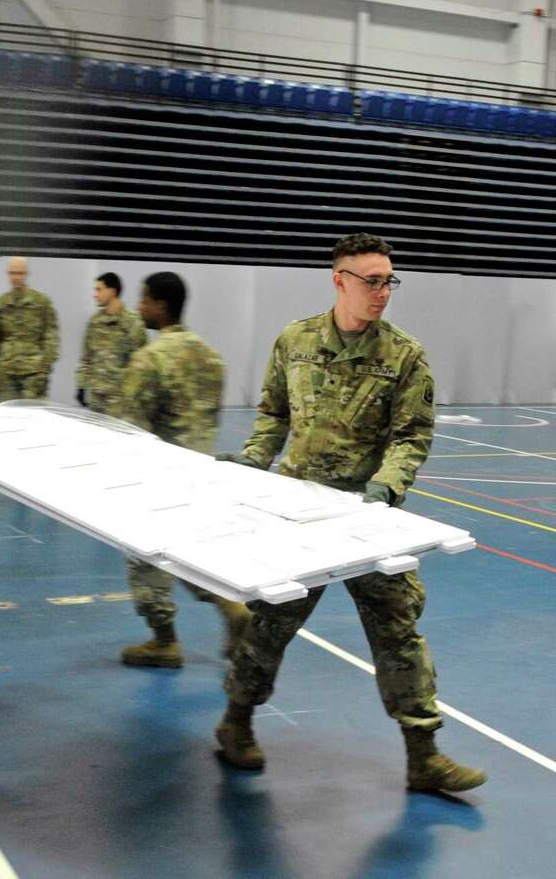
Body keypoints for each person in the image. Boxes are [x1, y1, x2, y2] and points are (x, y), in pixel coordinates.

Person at [213, 233, 486, 794]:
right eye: (372, 281)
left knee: (398, 630)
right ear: (340, 279)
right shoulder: (295, 341)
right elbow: (272, 414)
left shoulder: (404, 355)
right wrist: (251, 460)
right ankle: (235, 721)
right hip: (297, 512)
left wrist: (387, 486)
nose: (384, 292)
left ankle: (423, 755)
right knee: (271, 623)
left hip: (367, 518)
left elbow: (411, 436)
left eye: (390, 280)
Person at [113, 272, 250, 668]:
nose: (139, 307)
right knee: (193, 555)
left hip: (156, 482)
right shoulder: (211, 357)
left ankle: (163, 641)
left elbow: (130, 431)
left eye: (144, 299)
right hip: (200, 474)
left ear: (159, 305)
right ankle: (233, 610)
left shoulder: (150, 359)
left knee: (147, 559)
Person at [0, 256, 59, 400]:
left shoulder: (41, 303)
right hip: (6, 374)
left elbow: (51, 339)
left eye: (19, 273)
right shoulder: (0, 305)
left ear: (26, 274)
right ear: (7, 274)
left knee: (33, 418)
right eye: (12, 273)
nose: (15, 277)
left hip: (33, 374)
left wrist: (44, 370)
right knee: (8, 419)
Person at [76, 271, 147, 414]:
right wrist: (81, 386)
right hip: (97, 398)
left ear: (112, 291)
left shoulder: (133, 323)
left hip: (121, 401)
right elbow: (86, 358)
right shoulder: (95, 322)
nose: (95, 295)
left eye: (99, 289)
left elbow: (142, 363)